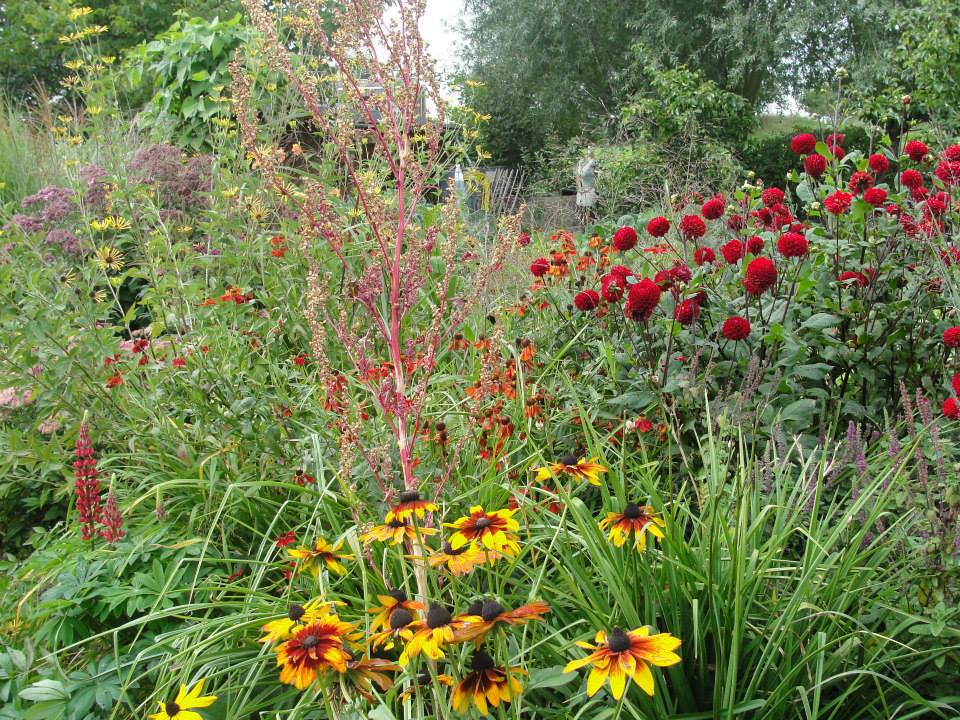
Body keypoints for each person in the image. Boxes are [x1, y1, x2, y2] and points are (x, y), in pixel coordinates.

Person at [575, 148, 598, 225]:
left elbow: (596, 177)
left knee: (591, 216)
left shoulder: (593, 163)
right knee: (582, 216)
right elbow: (578, 177)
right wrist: (580, 188)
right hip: (581, 193)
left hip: (590, 192)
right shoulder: (580, 162)